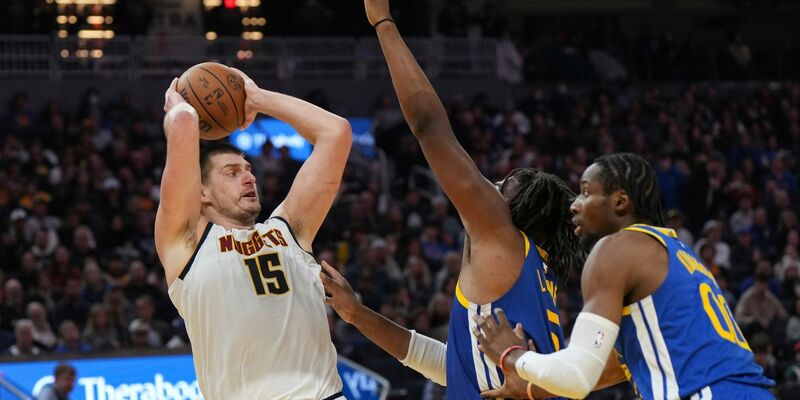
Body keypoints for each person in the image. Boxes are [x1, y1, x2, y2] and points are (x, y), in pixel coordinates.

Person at [321, 1, 627, 399]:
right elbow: (449, 365)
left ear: (514, 211)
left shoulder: (502, 239)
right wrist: (357, 315)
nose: (489, 184)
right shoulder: (532, 278)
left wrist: (383, 21)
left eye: (502, 186)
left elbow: (429, 127)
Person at [474, 153, 775, 399]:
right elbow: (618, 364)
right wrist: (533, 387)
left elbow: (578, 377)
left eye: (586, 192)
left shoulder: (616, 248)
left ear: (620, 202)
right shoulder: (674, 250)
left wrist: (510, 355)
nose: (574, 204)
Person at [156, 69, 351, 399]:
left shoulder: (290, 229)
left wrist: (258, 98)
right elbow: (184, 123)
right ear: (201, 193)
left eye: (249, 170)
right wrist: (179, 108)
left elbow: (335, 132)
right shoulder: (185, 244)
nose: (249, 179)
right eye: (232, 173)